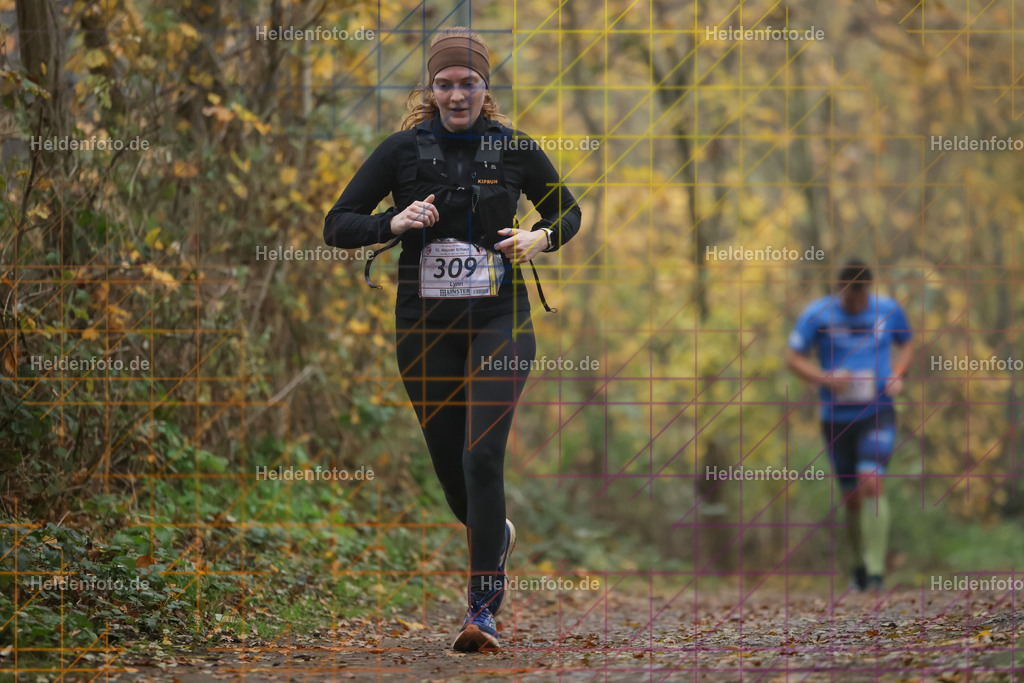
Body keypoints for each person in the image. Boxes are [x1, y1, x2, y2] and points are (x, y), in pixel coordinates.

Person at [323, 27, 582, 651]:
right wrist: (394, 219)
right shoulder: (401, 152)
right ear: (431, 89)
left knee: (482, 456)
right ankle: (497, 536)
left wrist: (537, 239)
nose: (457, 94)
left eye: (469, 83)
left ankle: (481, 614)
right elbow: (337, 225)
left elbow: (567, 211)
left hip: (501, 321)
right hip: (424, 325)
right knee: (452, 472)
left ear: (485, 88)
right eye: (446, 84)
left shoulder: (515, 149)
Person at [786, 260, 914, 591]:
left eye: (862, 298)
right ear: (840, 288)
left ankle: (875, 572)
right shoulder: (817, 313)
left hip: (878, 411)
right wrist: (825, 378)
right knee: (852, 498)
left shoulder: (888, 309)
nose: (856, 304)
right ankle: (858, 565)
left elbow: (909, 342)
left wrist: (897, 373)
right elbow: (793, 358)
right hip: (836, 417)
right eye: (850, 298)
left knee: (871, 481)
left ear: (869, 290)